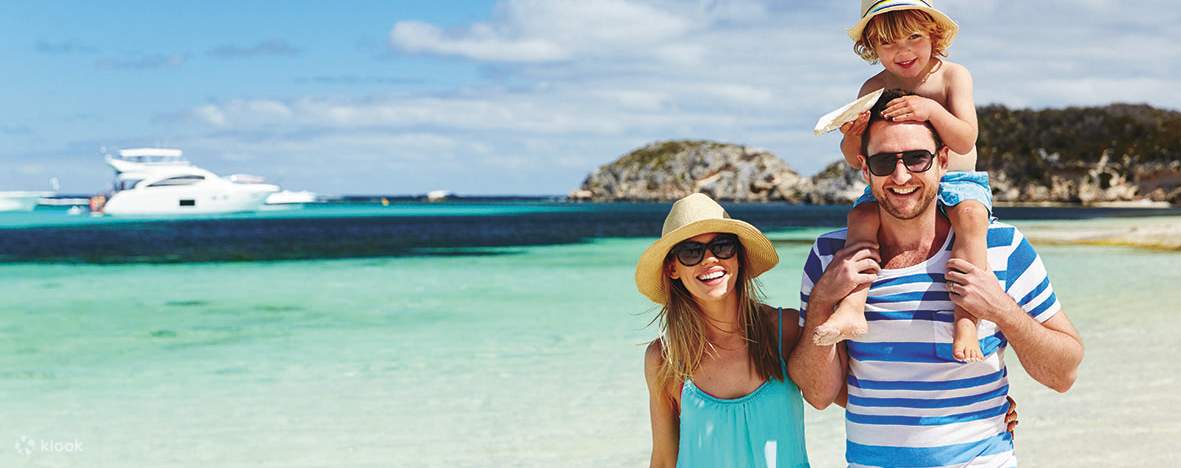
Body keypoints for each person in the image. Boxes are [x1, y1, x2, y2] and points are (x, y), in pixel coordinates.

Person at [789, 92, 1083, 467]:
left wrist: (1001, 310)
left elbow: (1064, 374)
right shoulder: (830, 256)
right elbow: (818, 394)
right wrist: (820, 304)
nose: (900, 176)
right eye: (883, 162)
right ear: (865, 170)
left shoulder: (1002, 247)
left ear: (943, 160)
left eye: (916, 158)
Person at [816, 0, 992, 363]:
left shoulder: (952, 76)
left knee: (971, 218)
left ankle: (967, 320)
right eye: (888, 43)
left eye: (913, 37)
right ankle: (852, 306)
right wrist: (853, 133)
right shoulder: (874, 85)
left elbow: (965, 139)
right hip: (896, 179)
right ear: (871, 46)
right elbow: (854, 157)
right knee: (860, 218)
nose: (903, 51)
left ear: (934, 33)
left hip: (957, 179)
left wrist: (931, 110)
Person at [637, 193, 810, 467]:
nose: (710, 260)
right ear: (672, 268)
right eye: (691, 252)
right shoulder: (665, 358)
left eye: (722, 246)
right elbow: (663, 461)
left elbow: (840, 396)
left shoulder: (786, 330)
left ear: (738, 257)